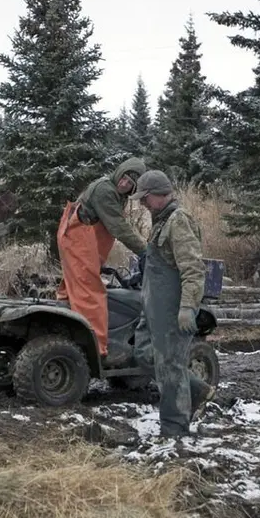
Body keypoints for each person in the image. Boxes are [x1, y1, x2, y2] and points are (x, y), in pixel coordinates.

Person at [129, 170, 214, 438]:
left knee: (170, 367)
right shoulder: (160, 222)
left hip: (173, 311)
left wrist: (188, 307)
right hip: (152, 308)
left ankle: (174, 431)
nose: (142, 203)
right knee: (143, 354)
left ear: (159, 194)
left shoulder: (178, 221)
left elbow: (193, 269)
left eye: (145, 198)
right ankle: (197, 390)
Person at [55, 157, 149, 360]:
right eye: (124, 179)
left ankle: (62, 320)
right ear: (120, 173)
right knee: (91, 292)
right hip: (78, 237)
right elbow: (118, 226)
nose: (124, 184)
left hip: (84, 239)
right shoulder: (105, 190)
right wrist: (144, 251)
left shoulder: (116, 193)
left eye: (130, 185)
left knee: (74, 285)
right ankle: (97, 350)